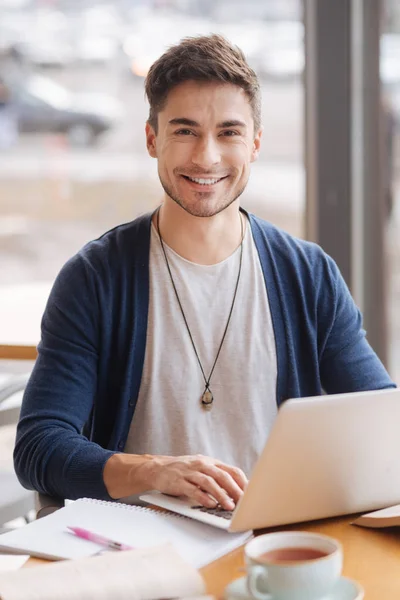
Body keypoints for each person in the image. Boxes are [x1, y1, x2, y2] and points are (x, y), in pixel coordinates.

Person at [14, 34, 395, 512]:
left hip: (274, 541)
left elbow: (382, 425)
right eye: (185, 130)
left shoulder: (308, 274)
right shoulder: (94, 279)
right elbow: (39, 447)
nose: (207, 157)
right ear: (153, 139)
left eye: (229, 132)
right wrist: (154, 471)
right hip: (139, 550)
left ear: (255, 143)